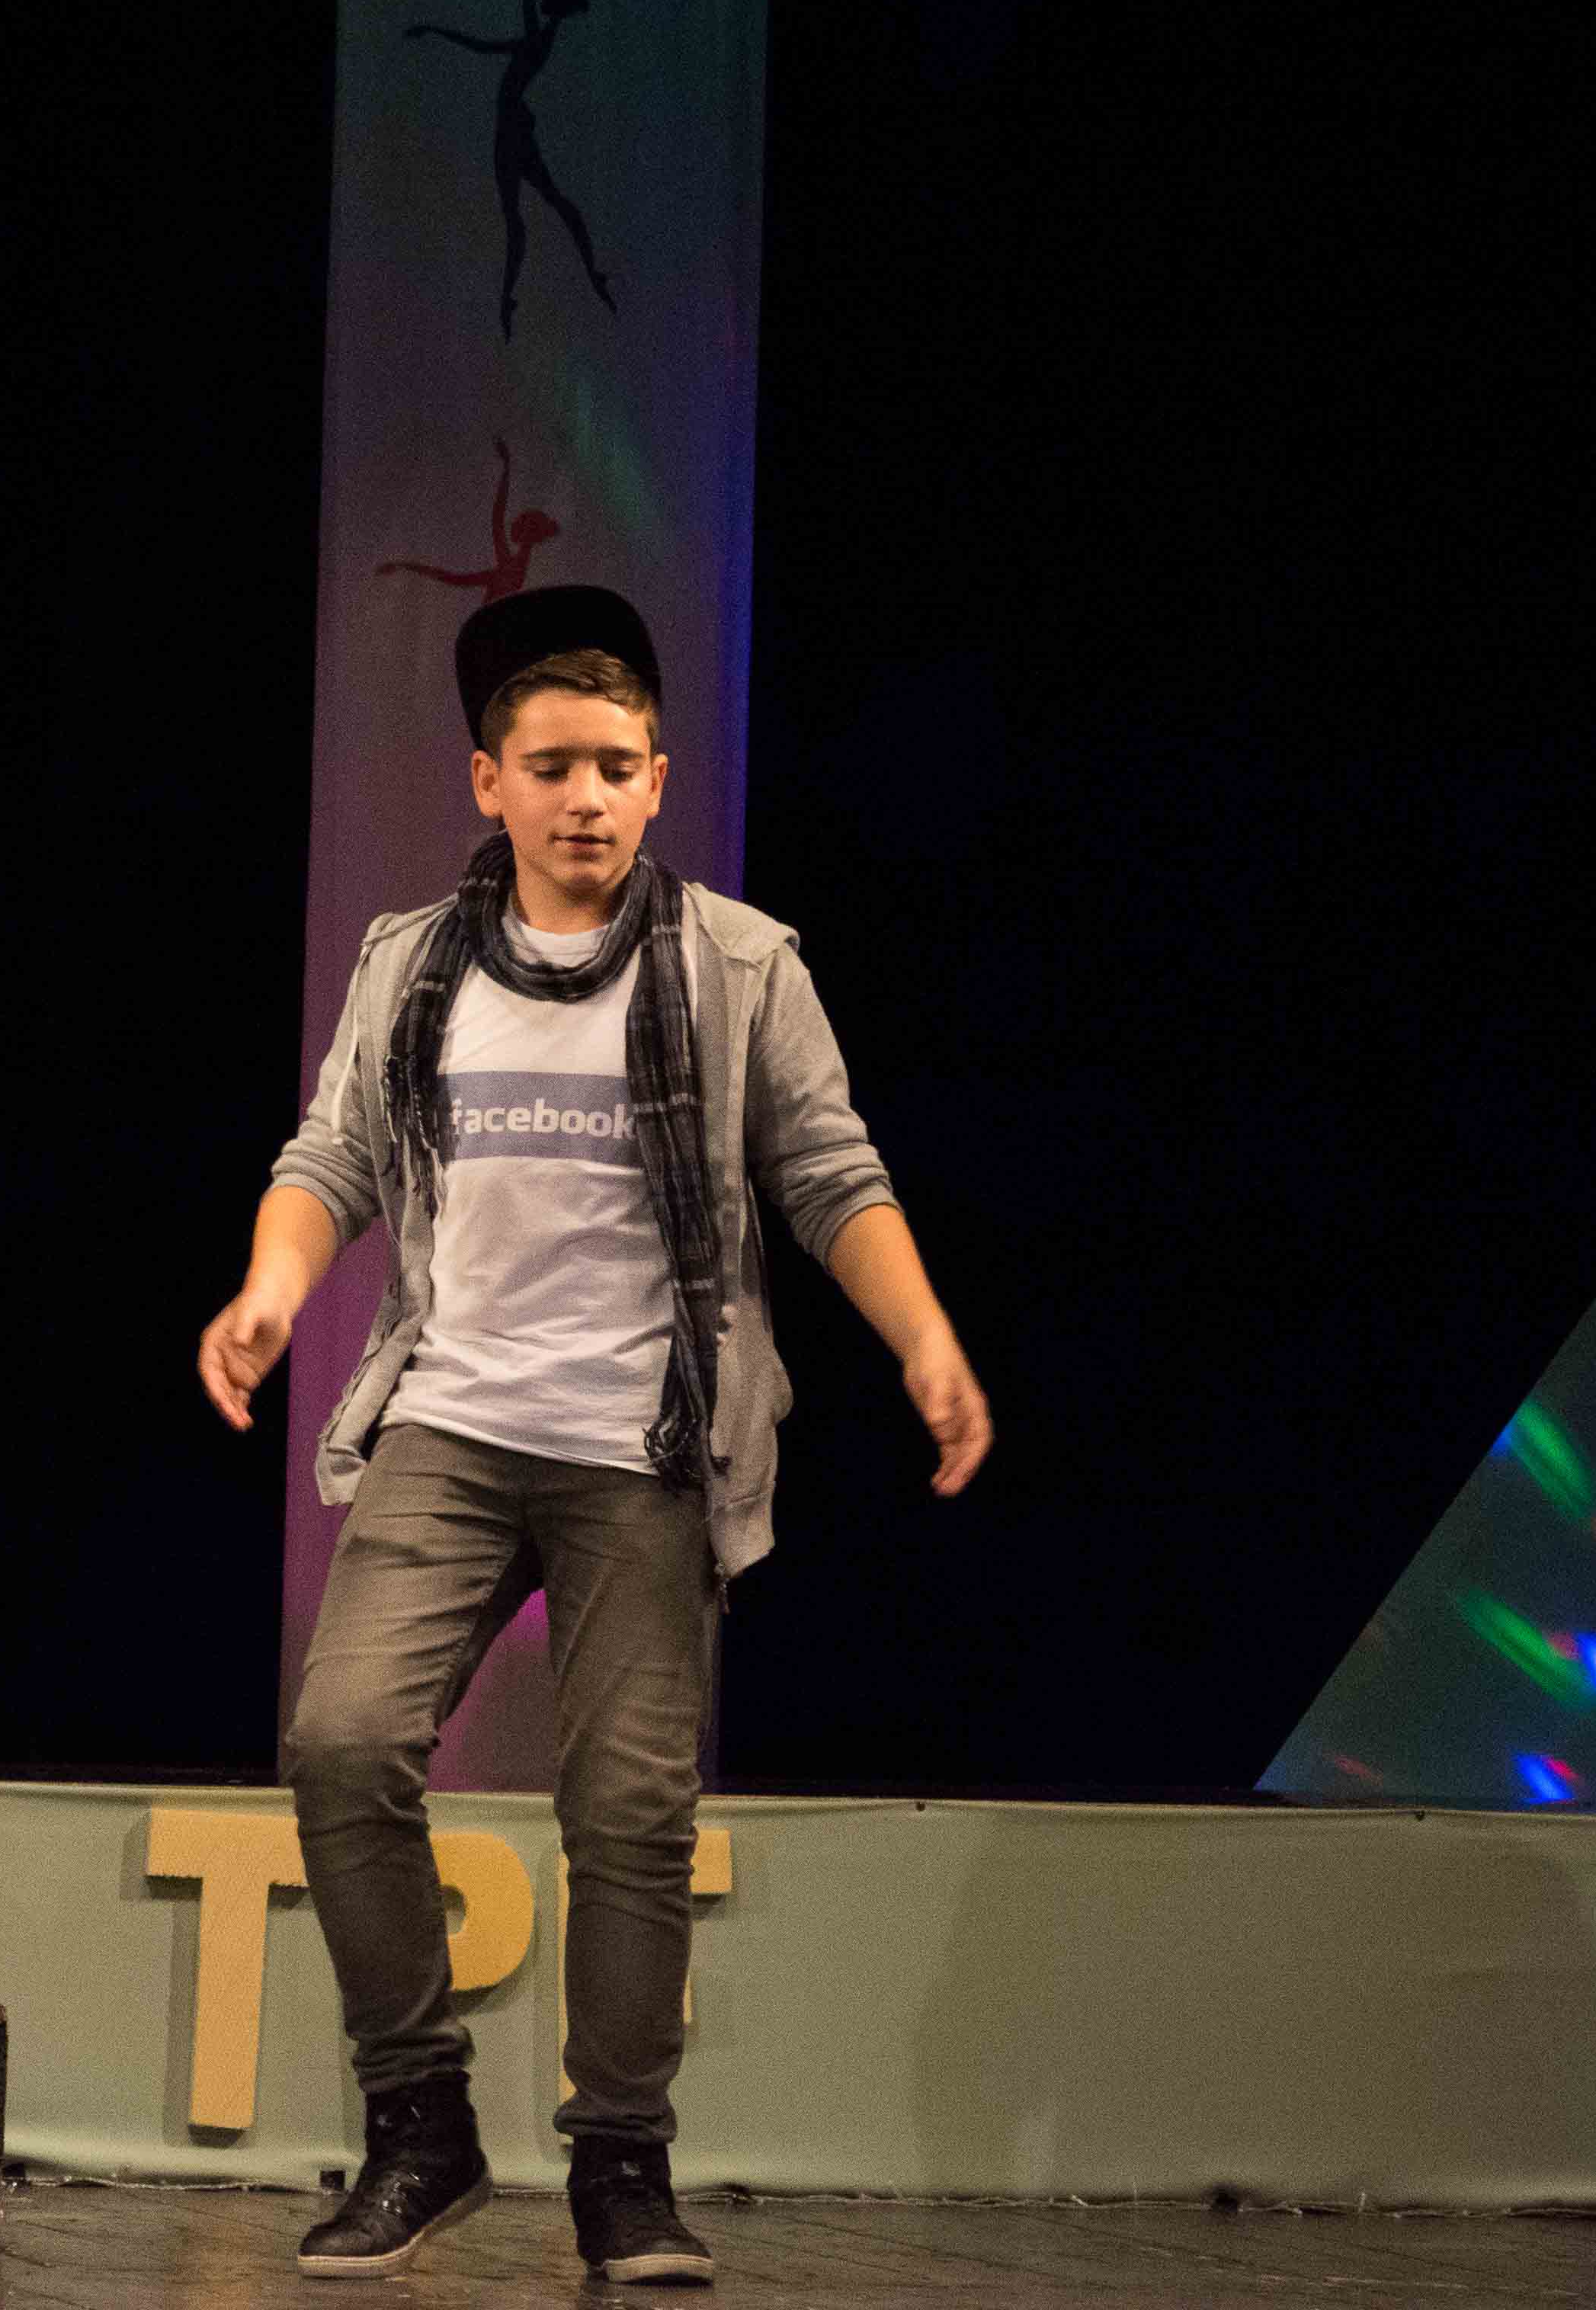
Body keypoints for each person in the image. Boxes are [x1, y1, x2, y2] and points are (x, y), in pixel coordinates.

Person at [194, 585, 992, 2286]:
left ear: (658, 780)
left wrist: (924, 1337)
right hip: (454, 1423)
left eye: (617, 768)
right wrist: (271, 1289)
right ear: (488, 780)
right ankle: (420, 2120)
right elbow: (333, 1154)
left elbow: (829, 1174)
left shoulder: (741, 964)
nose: (585, 798)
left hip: (646, 1442)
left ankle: (623, 2163)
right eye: (551, 766)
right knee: (340, 1743)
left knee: (629, 1810)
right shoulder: (413, 961)